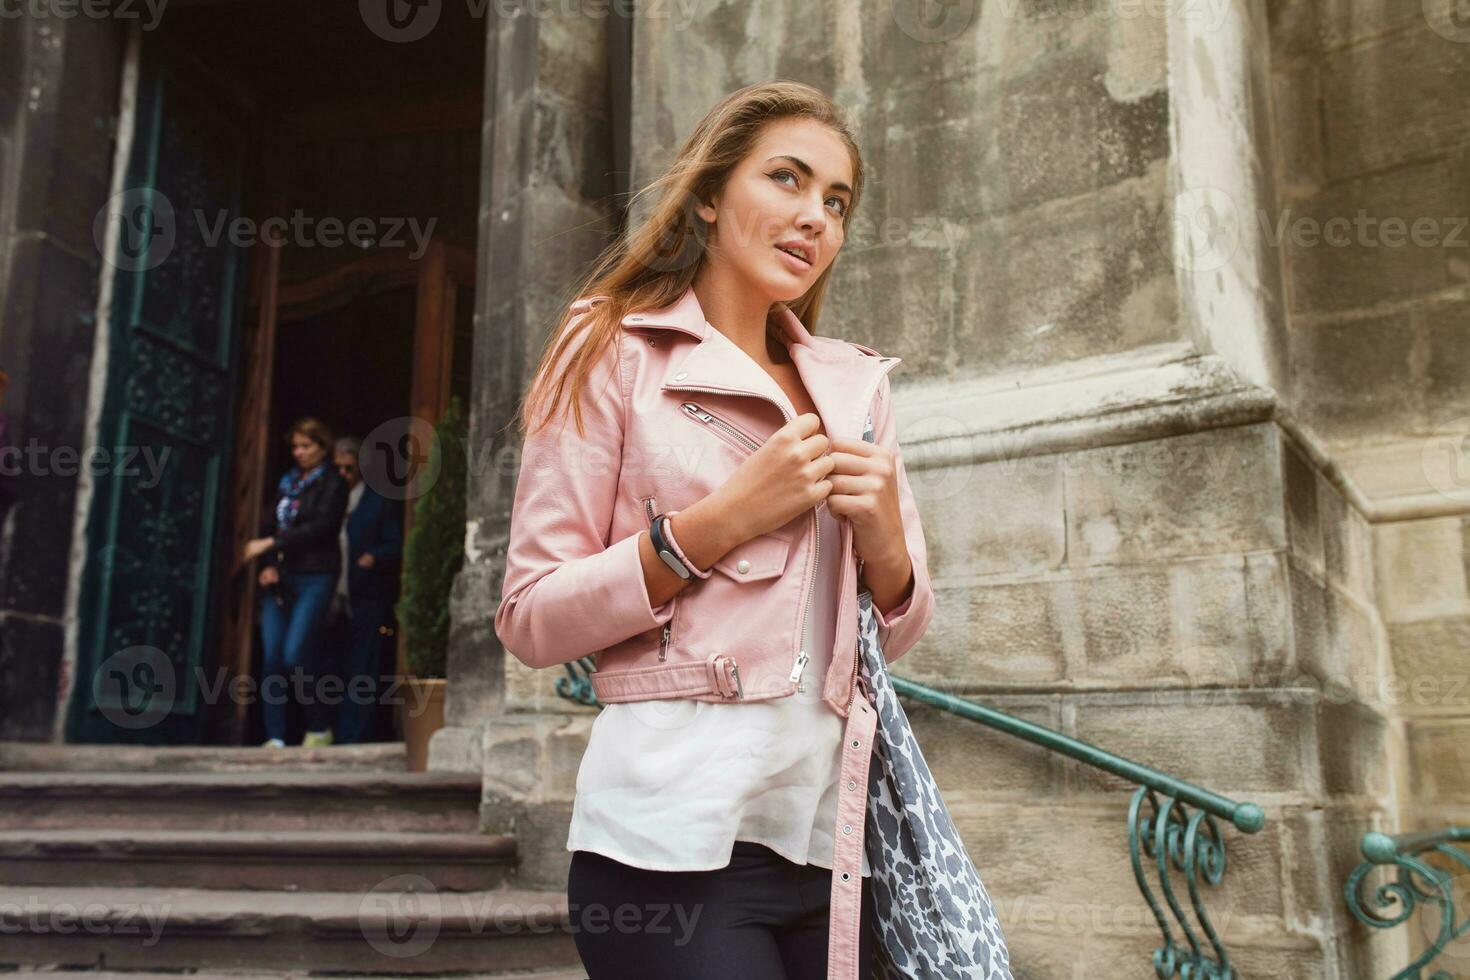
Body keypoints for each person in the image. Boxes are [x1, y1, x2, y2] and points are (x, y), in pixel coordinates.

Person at [494, 81, 936, 980]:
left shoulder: (855, 388)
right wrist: (715, 525)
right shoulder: (610, 349)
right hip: (666, 850)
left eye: (836, 201)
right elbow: (531, 617)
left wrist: (887, 540)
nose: (815, 216)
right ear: (706, 193)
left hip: (829, 847)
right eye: (787, 178)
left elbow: (901, 625)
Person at [243, 417, 350, 749]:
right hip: (281, 580)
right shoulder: (287, 483)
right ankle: (274, 736)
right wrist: (268, 565)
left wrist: (271, 545)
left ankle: (319, 726)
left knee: (295, 653)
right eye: (295, 447)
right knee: (272, 656)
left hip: (316, 577)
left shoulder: (335, 483)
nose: (299, 452)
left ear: (322, 447)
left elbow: (320, 529)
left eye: (306, 446)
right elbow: (270, 524)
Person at [328, 435, 402, 744]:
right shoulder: (328, 497)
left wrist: (374, 556)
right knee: (329, 664)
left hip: (365, 593)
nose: (343, 475)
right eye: (339, 469)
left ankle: (353, 737)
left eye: (349, 468)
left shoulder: (377, 500)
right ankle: (322, 730)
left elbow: (395, 543)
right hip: (330, 594)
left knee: (362, 668)